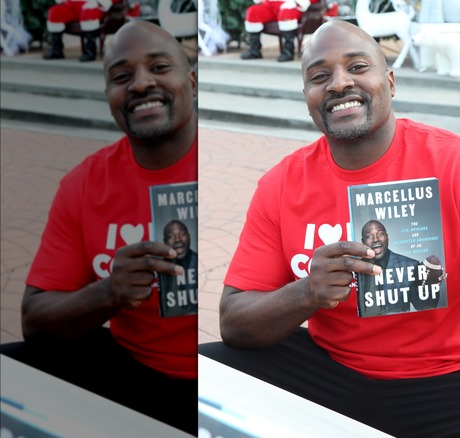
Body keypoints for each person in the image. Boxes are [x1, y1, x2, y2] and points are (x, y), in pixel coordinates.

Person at [199, 21, 460, 438]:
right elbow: (234, 321)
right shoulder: (281, 185)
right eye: (319, 76)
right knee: (204, 376)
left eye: (358, 67)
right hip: (331, 368)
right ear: (307, 98)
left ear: (390, 82)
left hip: (457, 379)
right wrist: (306, 292)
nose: (339, 84)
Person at [0, 20, 198, 435]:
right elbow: (35, 321)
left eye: (160, 67)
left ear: (192, 82)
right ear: (109, 97)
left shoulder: (241, 173)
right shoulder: (84, 183)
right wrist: (108, 292)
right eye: (121, 77)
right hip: (132, 366)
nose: (141, 84)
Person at [356, 219, 442, 317]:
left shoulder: (410, 266)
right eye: (369, 236)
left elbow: (425, 306)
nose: (376, 239)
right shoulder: (354, 271)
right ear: (363, 242)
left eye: (380, 234)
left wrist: (431, 285)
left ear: (387, 237)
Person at [42, 0, 120, 62]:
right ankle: (56, 50)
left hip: (93, 4)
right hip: (72, 4)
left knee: (89, 13)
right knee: (55, 12)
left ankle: (90, 51)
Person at [240, 0, 316, 62]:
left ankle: (288, 51)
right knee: (253, 12)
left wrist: (296, 3)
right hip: (270, 5)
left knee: (286, 14)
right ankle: (254, 50)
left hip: (291, 5)